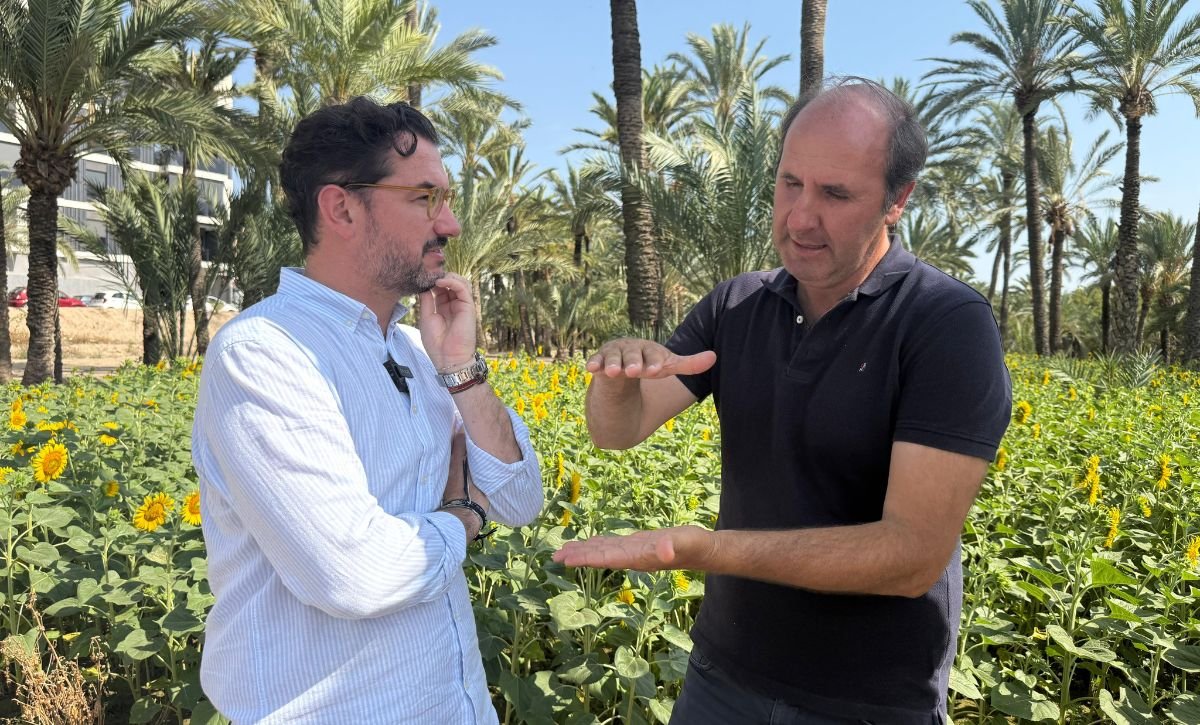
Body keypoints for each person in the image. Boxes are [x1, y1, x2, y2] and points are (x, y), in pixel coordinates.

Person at [553, 77, 1011, 723]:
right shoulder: (737, 305)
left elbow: (911, 556)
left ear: (898, 200)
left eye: (835, 194)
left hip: (866, 701)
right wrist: (616, 378)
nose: (799, 217)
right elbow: (618, 430)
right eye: (790, 183)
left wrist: (704, 551)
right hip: (721, 677)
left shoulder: (944, 323)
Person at [192, 97, 543, 723]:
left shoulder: (417, 348)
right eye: (425, 198)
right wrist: (462, 515)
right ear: (342, 208)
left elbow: (519, 500)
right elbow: (355, 574)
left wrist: (462, 370)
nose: (451, 223)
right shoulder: (265, 352)